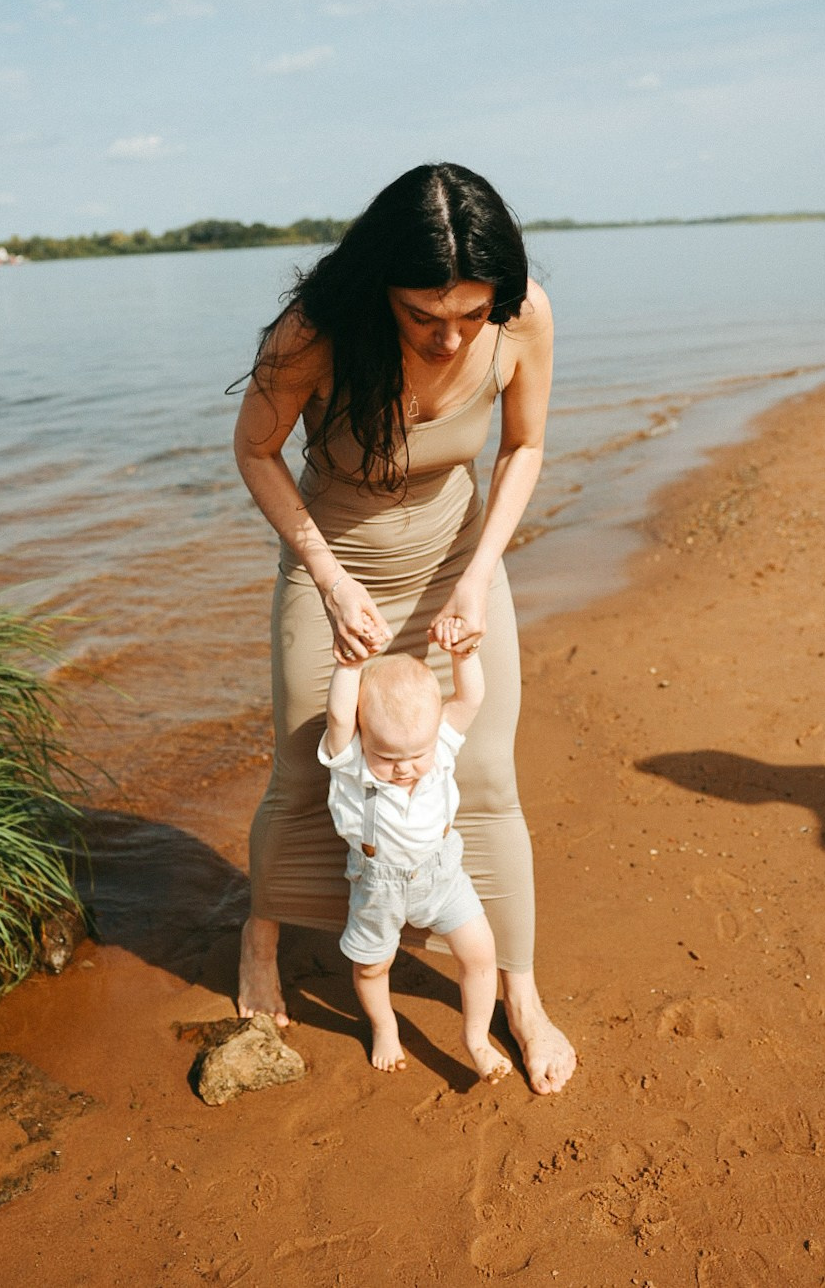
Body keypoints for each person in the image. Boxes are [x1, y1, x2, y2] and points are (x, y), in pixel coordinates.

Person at [234, 161, 576, 1095]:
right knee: (309, 764)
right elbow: (254, 451)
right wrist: (329, 578)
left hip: (456, 564)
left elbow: (525, 445)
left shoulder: (521, 315)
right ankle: (262, 936)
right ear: (381, 280)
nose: (450, 333)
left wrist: (478, 575)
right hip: (335, 560)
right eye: (427, 314)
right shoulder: (316, 332)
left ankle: (519, 985)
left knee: (487, 771)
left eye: (470, 313)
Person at [321, 642, 512, 1082]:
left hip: (442, 874)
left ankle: (476, 1038)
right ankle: (385, 1026)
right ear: (361, 734)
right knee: (372, 966)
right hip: (378, 885)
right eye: (388, 757)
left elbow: (470, 698)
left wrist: (464, 656)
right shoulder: (351, 762)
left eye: (416, 756)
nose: (405, 768)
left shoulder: (439, 744)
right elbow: (336, 716)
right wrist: (348, 666)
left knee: (481, 954)